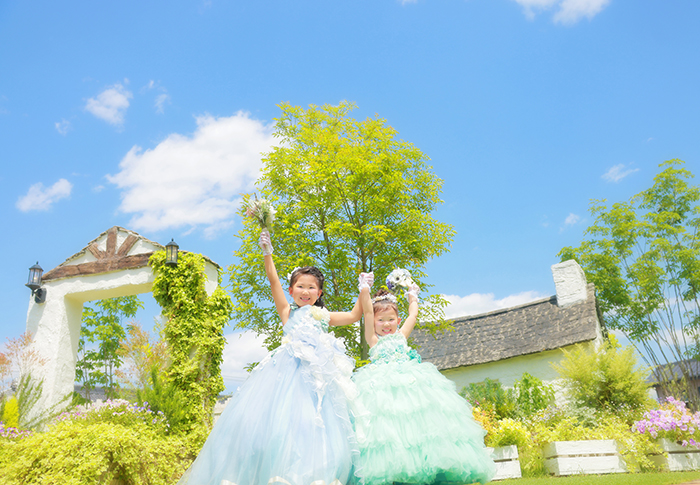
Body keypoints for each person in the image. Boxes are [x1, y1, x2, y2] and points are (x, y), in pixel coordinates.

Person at [178, 231, 370, 485]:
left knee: (316, 424)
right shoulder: (288, 312)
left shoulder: (325, 316)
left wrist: (363, 289)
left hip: (318, 379)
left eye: (311, 287)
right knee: (282, 424)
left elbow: (356, 315)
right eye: (300, 286)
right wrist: (267, 253)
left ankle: (314, 475)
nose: (305, 291)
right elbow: (273, 280)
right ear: (291, 290)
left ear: (319, 292)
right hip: (287, 375)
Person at [352, 283, 496, 485]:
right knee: (389, 430)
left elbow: (413, 316)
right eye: (380, 320)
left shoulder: (401, 336)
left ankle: (427, 469)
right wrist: (365, 290)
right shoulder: (373, 340)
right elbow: (367, 311)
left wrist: (412, 297)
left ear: (398, 320)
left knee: (418, 427)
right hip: (383, 391)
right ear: (373, 322)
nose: (386, 324)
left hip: (411, 387)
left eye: (391, 319)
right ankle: (396, 474)